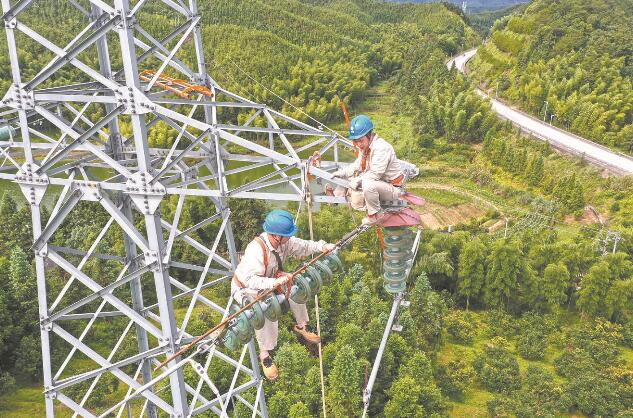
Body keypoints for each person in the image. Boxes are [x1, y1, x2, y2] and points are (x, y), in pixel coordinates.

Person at [232, 209, 336, 380]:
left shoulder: (283, 242)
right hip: (247, 288)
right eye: (287, 235)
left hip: (270, 280)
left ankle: (302, 326)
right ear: (276, 236)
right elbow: (250, 280)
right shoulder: (256, 250)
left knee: (295, 287)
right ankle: (265, 354)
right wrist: (274, 283)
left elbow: (303, 246)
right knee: (266, 307)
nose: (290, 237)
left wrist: (322, 246)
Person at [332, 114, 408, 225]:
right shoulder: (366, 147)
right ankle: (335, 197)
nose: (358, 144)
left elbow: (375, 174)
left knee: (367, 183)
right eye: (356, 141)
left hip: (393, 189)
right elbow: (357, 165)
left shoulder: (381, 148)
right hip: (381, 184)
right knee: (350, 175)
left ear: (369, 135)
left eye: (361, 140)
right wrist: (342, 173)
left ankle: (374, 216)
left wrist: (358, 180)